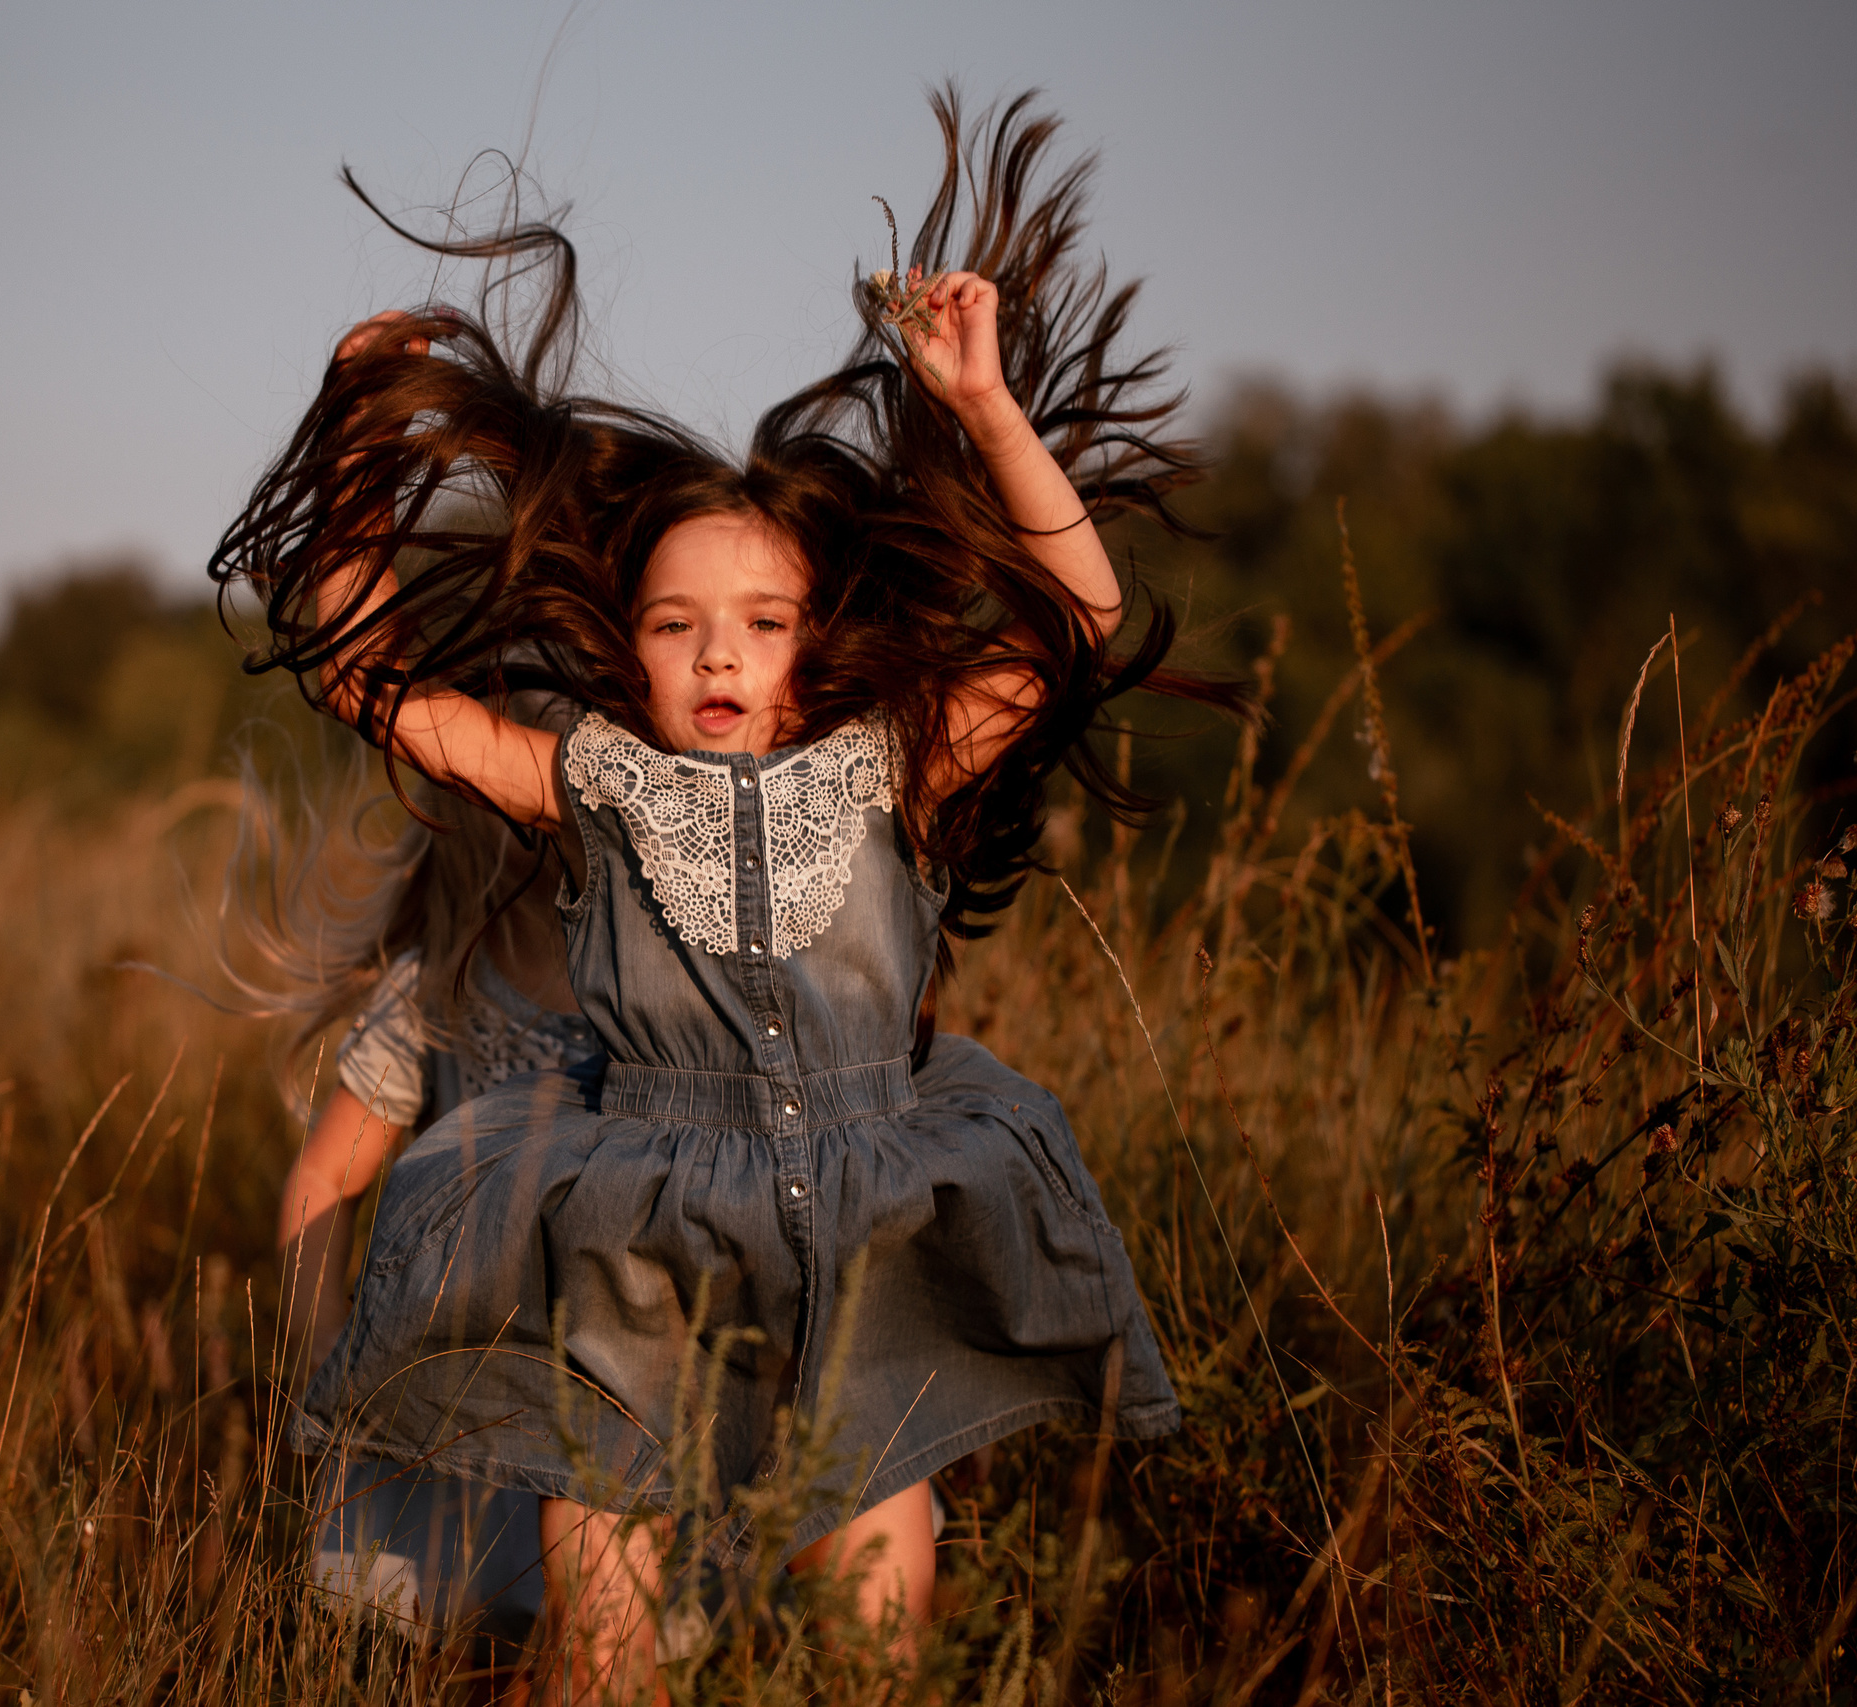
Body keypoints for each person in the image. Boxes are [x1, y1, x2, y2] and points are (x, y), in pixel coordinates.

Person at [214, 90, 1244, 1698]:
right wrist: (358, 439)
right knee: (603, 1622)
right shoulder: (593, 780)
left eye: (760, 622)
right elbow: (367, 673)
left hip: (870, 1221)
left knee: (879, 1624)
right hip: (635, 1241)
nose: (717, 653)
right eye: (679, 620)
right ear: (624, 640)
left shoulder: (898, 759)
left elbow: (1082, 611)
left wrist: (979, 403)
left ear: (814, 639)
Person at [268, 776, 601, 1659]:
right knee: (480, 1644)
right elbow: (322, 1177)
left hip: (618, 1376)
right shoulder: (437, 983)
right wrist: (330, 1355)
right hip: (467, 1388)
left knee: (607, 1640)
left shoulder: (660, 980)